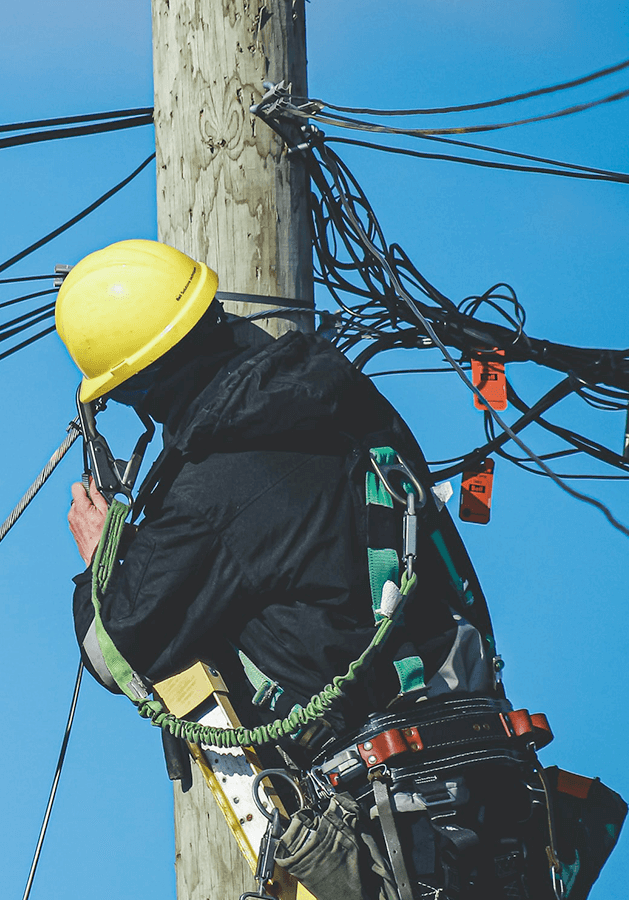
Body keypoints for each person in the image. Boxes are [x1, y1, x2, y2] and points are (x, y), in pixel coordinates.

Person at [56, 239, 570, 899]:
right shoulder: (345, 400)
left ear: (136, 389)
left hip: (385, 814)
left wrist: (103, 558)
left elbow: (116, 650)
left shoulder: (213, 484)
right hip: (488, 783)